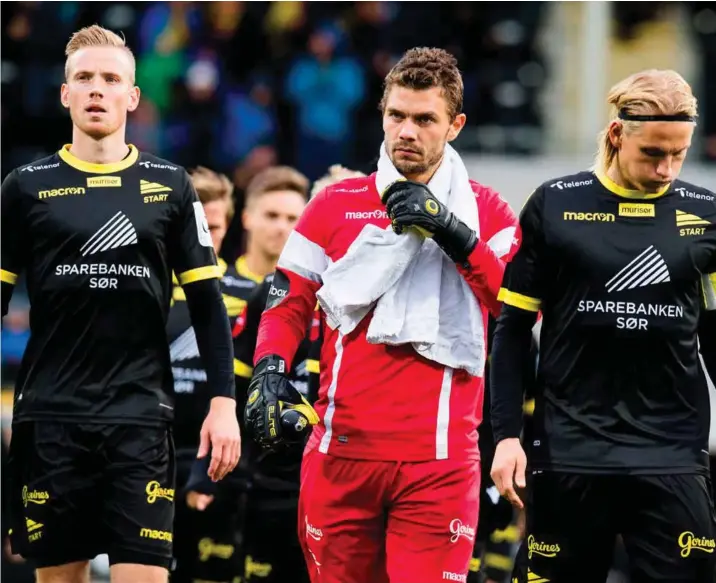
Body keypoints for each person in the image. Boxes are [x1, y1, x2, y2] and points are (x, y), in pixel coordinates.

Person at [244, 47, 519, 583]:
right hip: (339, 454)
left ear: (456, 126)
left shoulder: (488, 212)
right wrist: (269, 368)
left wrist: (454, 233)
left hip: (439, 465)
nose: (407, 131)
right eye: (397, 116)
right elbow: (288, 300)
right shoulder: (332, 204)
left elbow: (514, 308)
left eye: (425, 119)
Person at [0, 25, 240, 583]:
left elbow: (208, 307)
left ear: (133, 96)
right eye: (83, 78)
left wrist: (222, 403)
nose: (96, 89)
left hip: (139, 420)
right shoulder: (24, 188)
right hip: (50, 420)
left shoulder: (172, 186)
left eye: (111, 79)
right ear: (64, 94)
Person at [490, 69, 716, 583]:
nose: (666, 169)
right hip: (570, 450)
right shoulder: (555, 205)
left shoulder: (707, 215)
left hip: (672, 453)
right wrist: (506, 436)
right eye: (653, 153)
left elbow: (714, 333)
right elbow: (512, 330)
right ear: (617, 135)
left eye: (678, 154)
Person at [181, 165, 311, 583]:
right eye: (272, 215)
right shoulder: (212, 287)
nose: (281, 227)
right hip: (196, 452)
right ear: (248, 218)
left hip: (274, 473)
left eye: (293, 218)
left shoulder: (324, 298)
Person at [168, 166, 256, 583]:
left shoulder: (244, 294)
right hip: (150, 455)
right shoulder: (148, 288)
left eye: (214, 227)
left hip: (219, 464)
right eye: (196, 225)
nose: (203, 238)